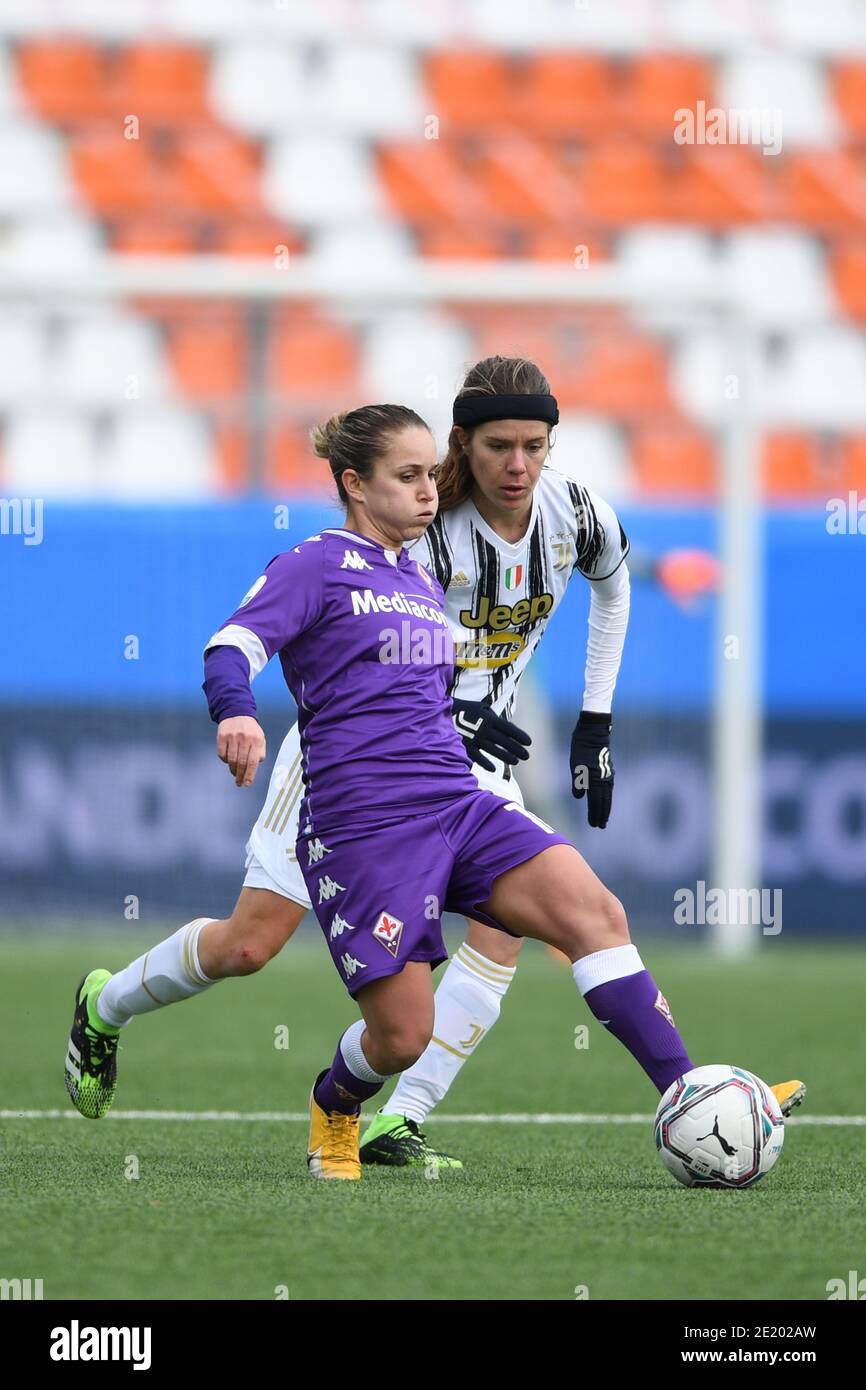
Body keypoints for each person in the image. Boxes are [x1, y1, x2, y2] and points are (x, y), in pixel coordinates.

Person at [64, 365, 805, 1165]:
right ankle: (106, 1006)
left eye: (533, 446)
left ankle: (658, 1093)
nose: (514, 465)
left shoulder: (504, 536)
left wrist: (589, 713)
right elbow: (264, 648)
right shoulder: (393, 545)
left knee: (561, 920)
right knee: (251, 945)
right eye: (493, 448)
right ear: (460, 451)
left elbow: (603, 578)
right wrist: (238, 708)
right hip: (346, 785)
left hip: (456, 775)